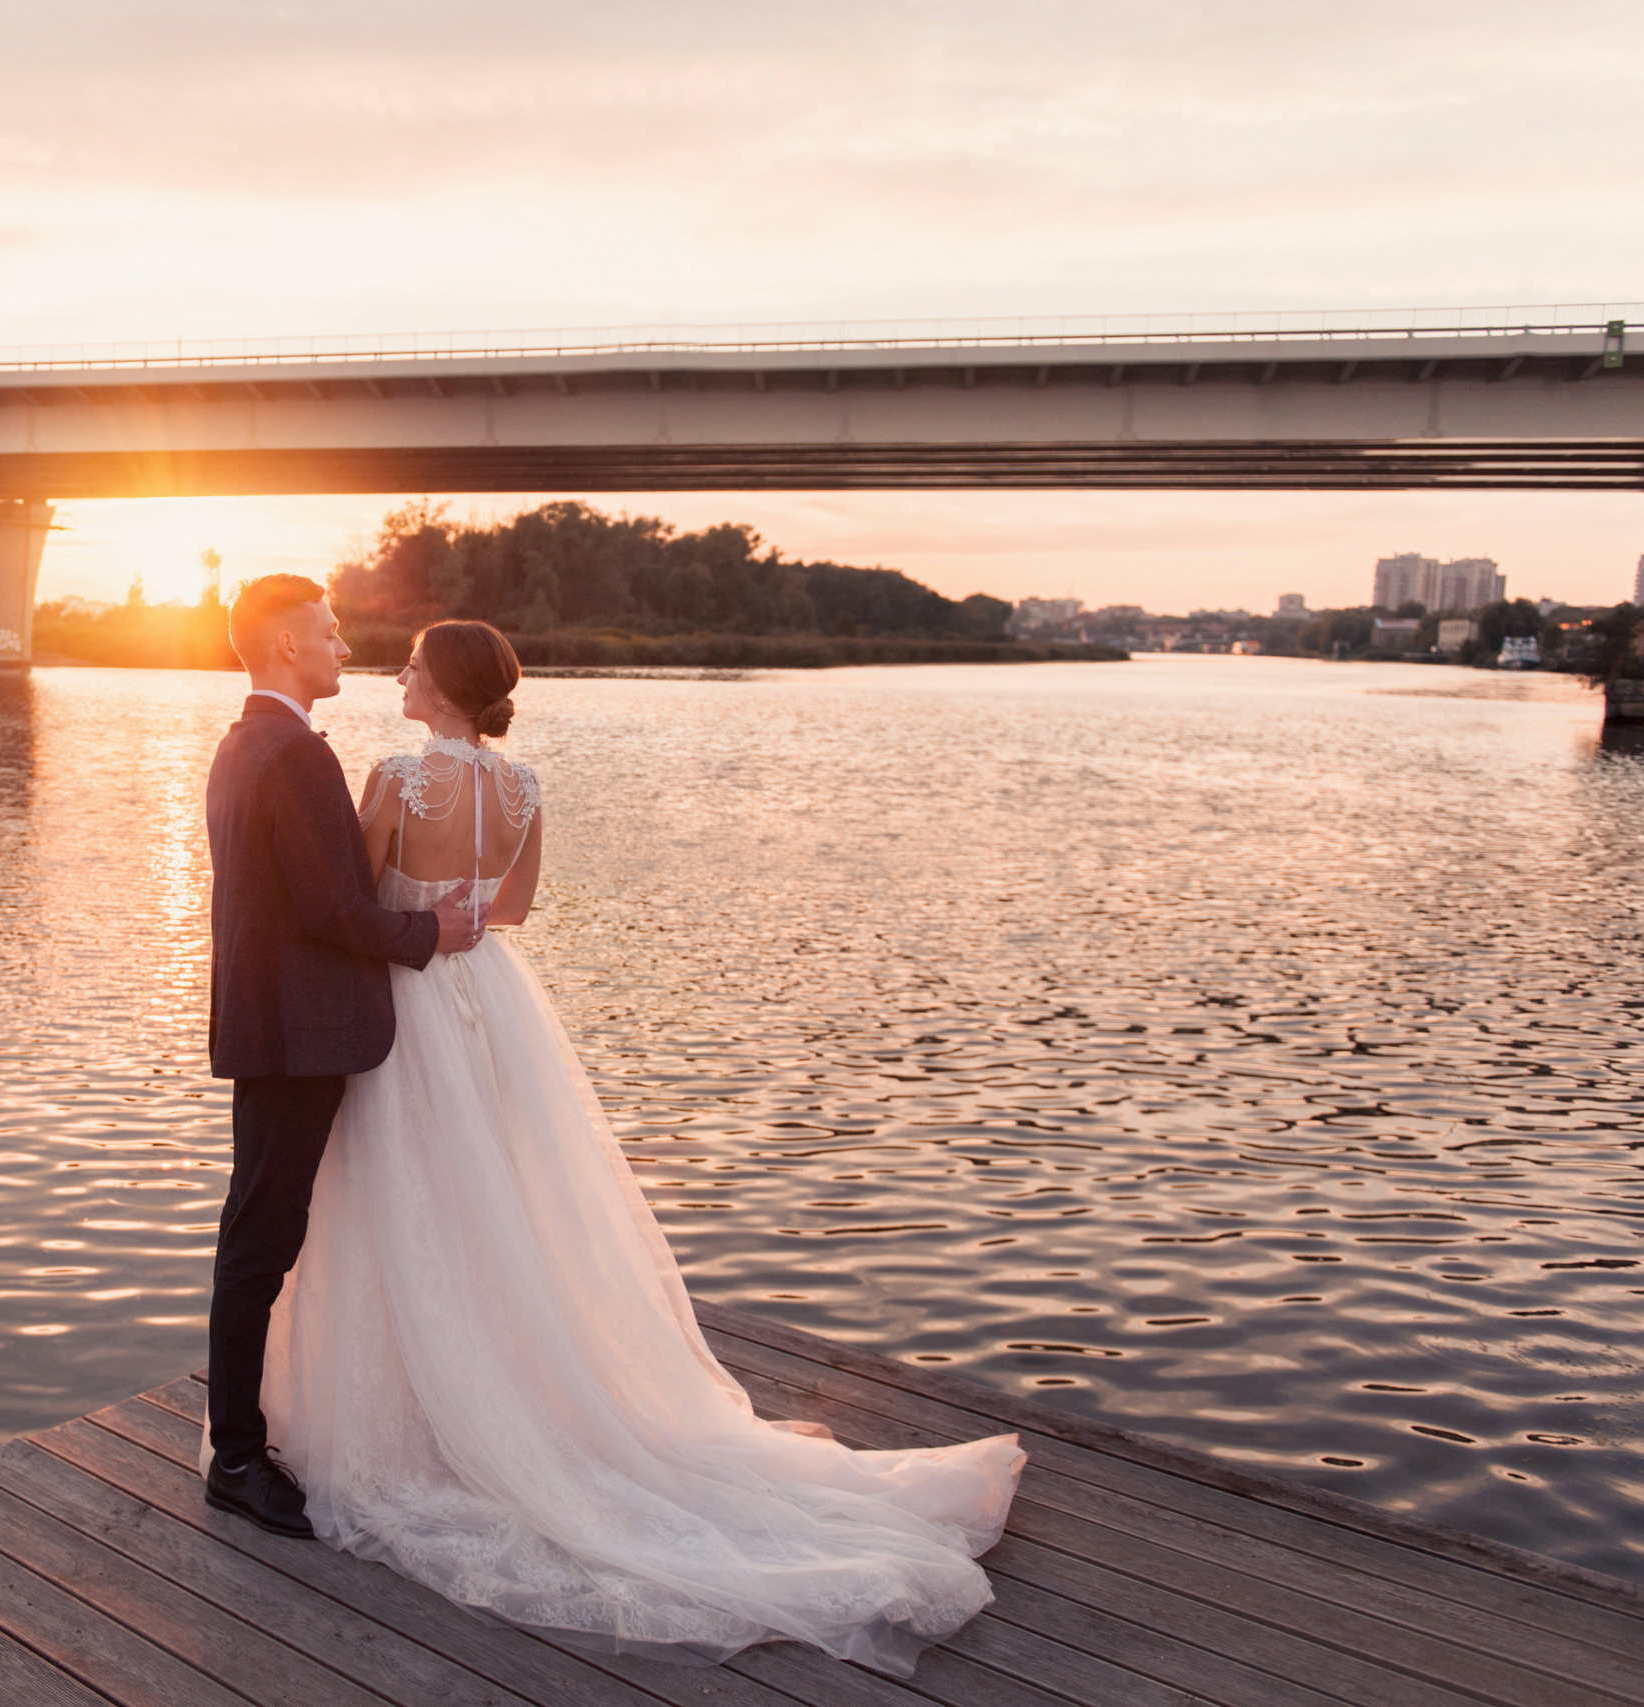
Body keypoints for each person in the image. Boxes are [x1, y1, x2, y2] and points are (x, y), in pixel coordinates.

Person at [247, 617, 1029, 1677]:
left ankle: (423, 1409)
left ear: (446, 687)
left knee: (401, 1196)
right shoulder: (520, 788)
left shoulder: (394, 776)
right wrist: (458, 912)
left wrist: (417, 918)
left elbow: (357, 900)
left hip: (410, 996)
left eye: (415, 665)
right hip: (491, 999)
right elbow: (514, 909)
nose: (400, 673)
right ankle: (499, 1382)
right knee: (492, 1196)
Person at [200, 574, 481, 1539]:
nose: (343, 647)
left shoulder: (245, 742)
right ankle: (237, 1459)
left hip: (273, 1026)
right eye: (327, 632)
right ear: (286, 645)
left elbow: (293, 901)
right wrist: (432, 931)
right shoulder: (298, 755)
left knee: (257, 1234)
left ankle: (242, 1440)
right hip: (296, 1035)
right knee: (259, 1242)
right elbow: (336, 911)